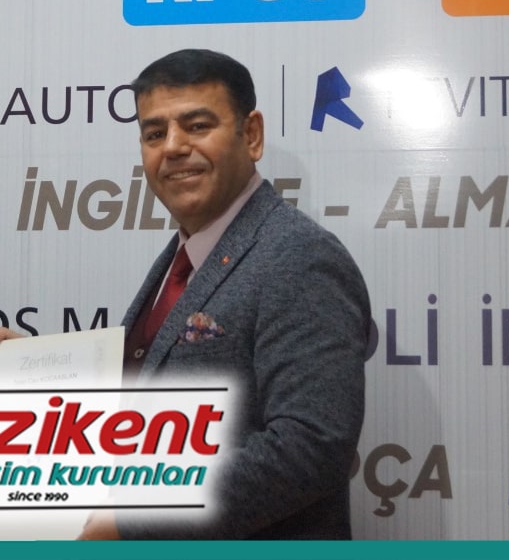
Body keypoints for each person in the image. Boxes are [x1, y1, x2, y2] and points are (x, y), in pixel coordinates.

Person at [87, 48, 372, 540]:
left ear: (251, 135)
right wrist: (37, 369)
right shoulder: (184, 257)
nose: (173, 147)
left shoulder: (298, 255)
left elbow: (310, 447)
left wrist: (130, 521)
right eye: (154, 134)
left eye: (197, 126)